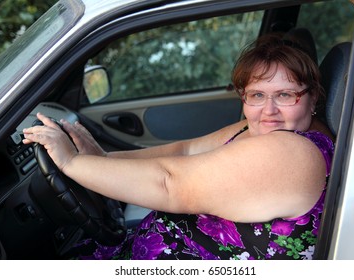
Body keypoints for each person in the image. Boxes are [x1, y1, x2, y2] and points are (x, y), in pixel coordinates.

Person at [22, 34, 334, 260]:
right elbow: (183, 151)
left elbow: (171, 184)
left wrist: (72, 163)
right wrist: (103, 158)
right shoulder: (260, 130)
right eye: (256, 95)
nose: (268, 110)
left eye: (285, 95)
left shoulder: (292, 152)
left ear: (312, 97)